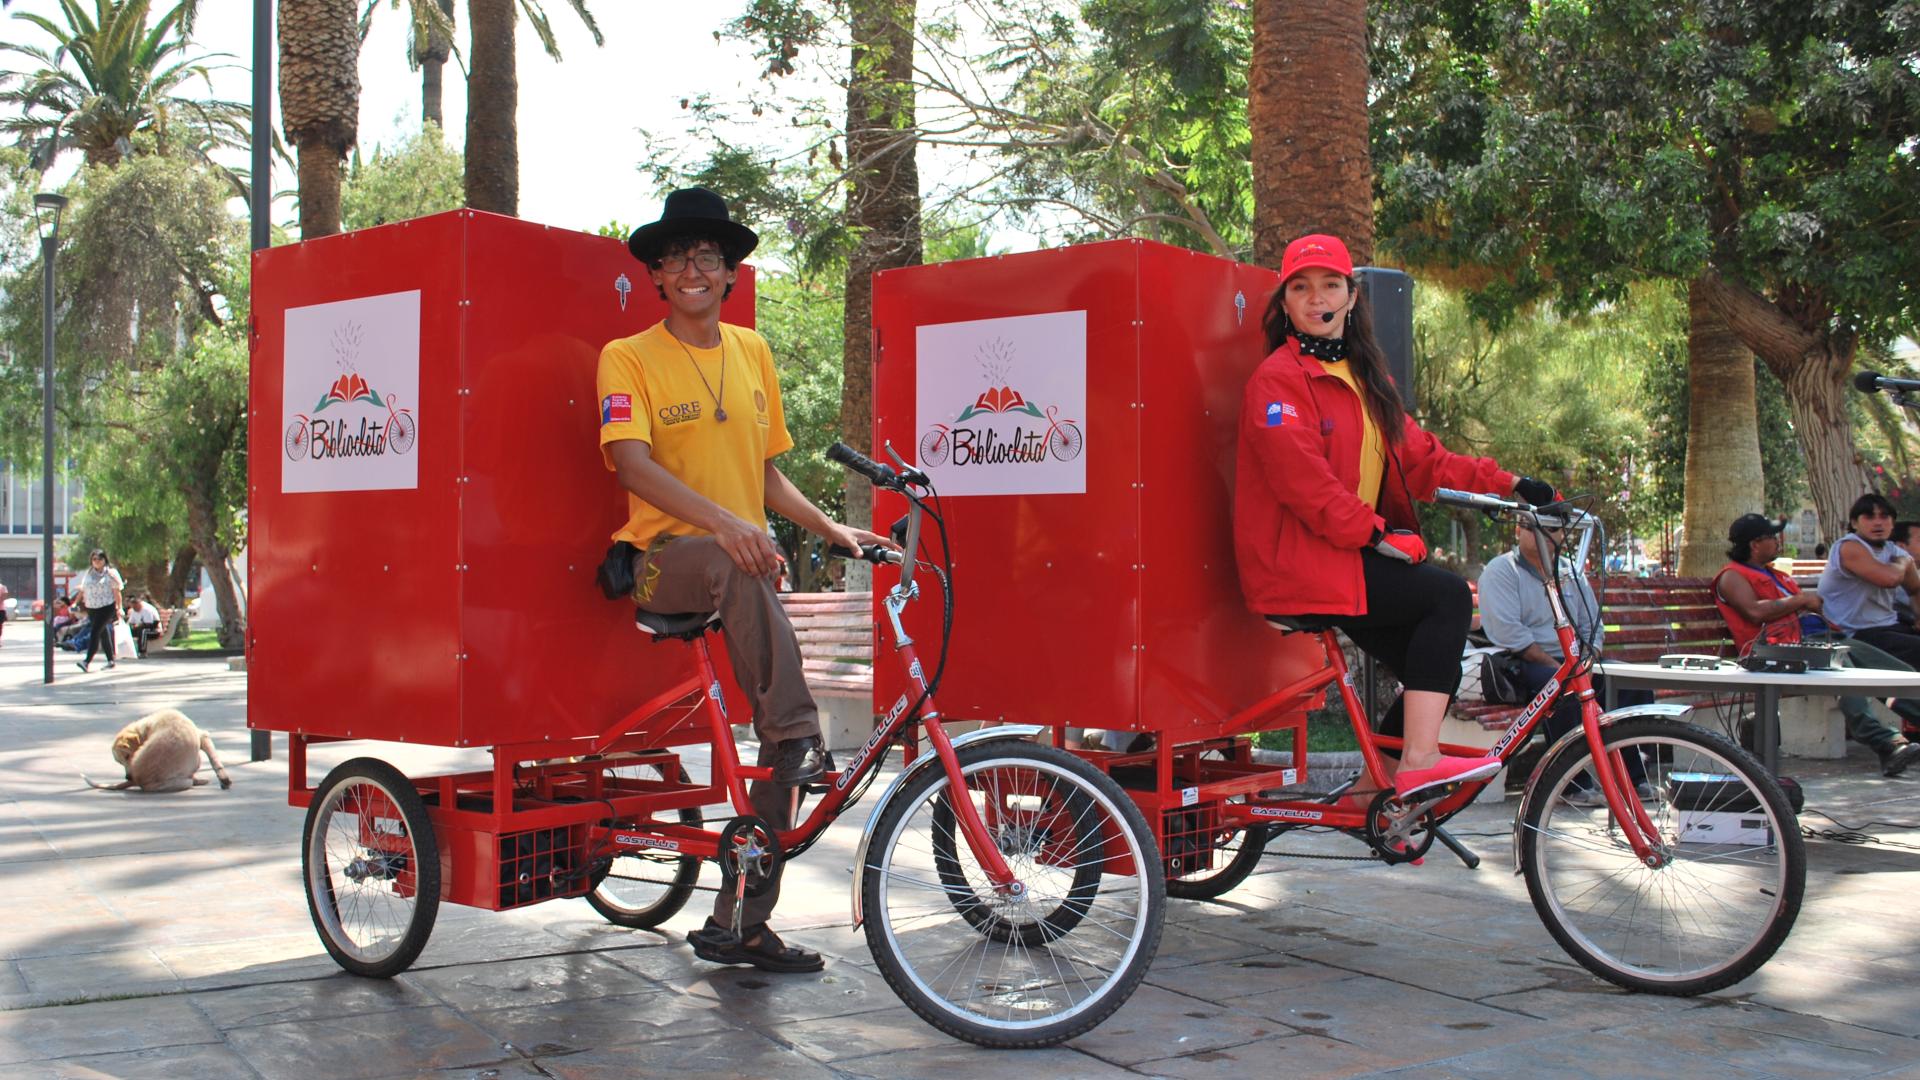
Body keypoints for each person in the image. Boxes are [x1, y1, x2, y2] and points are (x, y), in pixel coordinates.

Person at [598, 187, 893, 974]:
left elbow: (765, 475)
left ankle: (741, 922)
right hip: (665, 564)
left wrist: (835, 531)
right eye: (678, 258)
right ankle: (797, 732)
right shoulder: (627, 356)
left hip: (739, 564)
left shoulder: (752, 352)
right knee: (788, 717)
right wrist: (727, 527)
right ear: (658, 276)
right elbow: (632, 464)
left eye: (710, 258)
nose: (694, 269)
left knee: (777, 754)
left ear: (731, 275)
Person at [1234, 232, 1558, 800]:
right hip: (1300, 564)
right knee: (1449, 598)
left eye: (1330, 285)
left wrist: (1512, 483)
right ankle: (1418, 760)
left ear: (1351, 296)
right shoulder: (1277, 382)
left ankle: (1373, 792)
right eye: (1301, 288)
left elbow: (1425, 459)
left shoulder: (1366, 380)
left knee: (1435, 661)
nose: (1316, 298)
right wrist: (1378, 534)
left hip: (1343, 557)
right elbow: (1303, 484)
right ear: (1283, 303)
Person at [1716, 509, 1920, 776]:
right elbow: (1754, 611)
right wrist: (1801, 600)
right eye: (1773, 537)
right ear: (1755, 544)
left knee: (1890, 670)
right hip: (1776, 650)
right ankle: (1885, 743)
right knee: (1841, 668)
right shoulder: (1732, 575)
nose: (1779, 542)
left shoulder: (1775, 573)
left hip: (1816, 640)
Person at [1478, 509, 1652, 800]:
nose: (1543, 536)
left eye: (1552, 529)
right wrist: (1566, 669)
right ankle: (1573, 783)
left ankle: (1635, 779)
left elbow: (1592, 625)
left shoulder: (1569, 571)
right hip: (1524, 662)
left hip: (1575, 661)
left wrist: (1586, 659)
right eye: (1533, 528)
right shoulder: (1502, 570)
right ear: (1518, 531)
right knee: (1562, 687)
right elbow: (1509, 633)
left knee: (1631, 681)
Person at [73, 549, 124, 672]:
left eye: (100, 559)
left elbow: (117, 592)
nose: (97, 562)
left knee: (95, 631)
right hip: (92, 607)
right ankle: (110, 660)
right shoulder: (89, 573)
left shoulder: (111, 573)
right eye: (94, 559)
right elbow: (83, 589)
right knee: (103, 633)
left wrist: (119, 607)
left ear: (105, 560)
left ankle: (87, 661)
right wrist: (75, 602)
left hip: (107, 607)